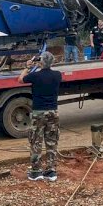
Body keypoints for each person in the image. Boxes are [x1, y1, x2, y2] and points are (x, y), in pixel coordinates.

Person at [18, 52, 62, 182]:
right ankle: (51, 171)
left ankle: (36, 171)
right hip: (53, 112)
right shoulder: (57, 75)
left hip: (38, 113)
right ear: (52, 62)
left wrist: (28, 66)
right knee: (52, 141)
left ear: (40, 62)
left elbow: (20, 79)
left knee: (36, 142)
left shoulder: (35, 76)